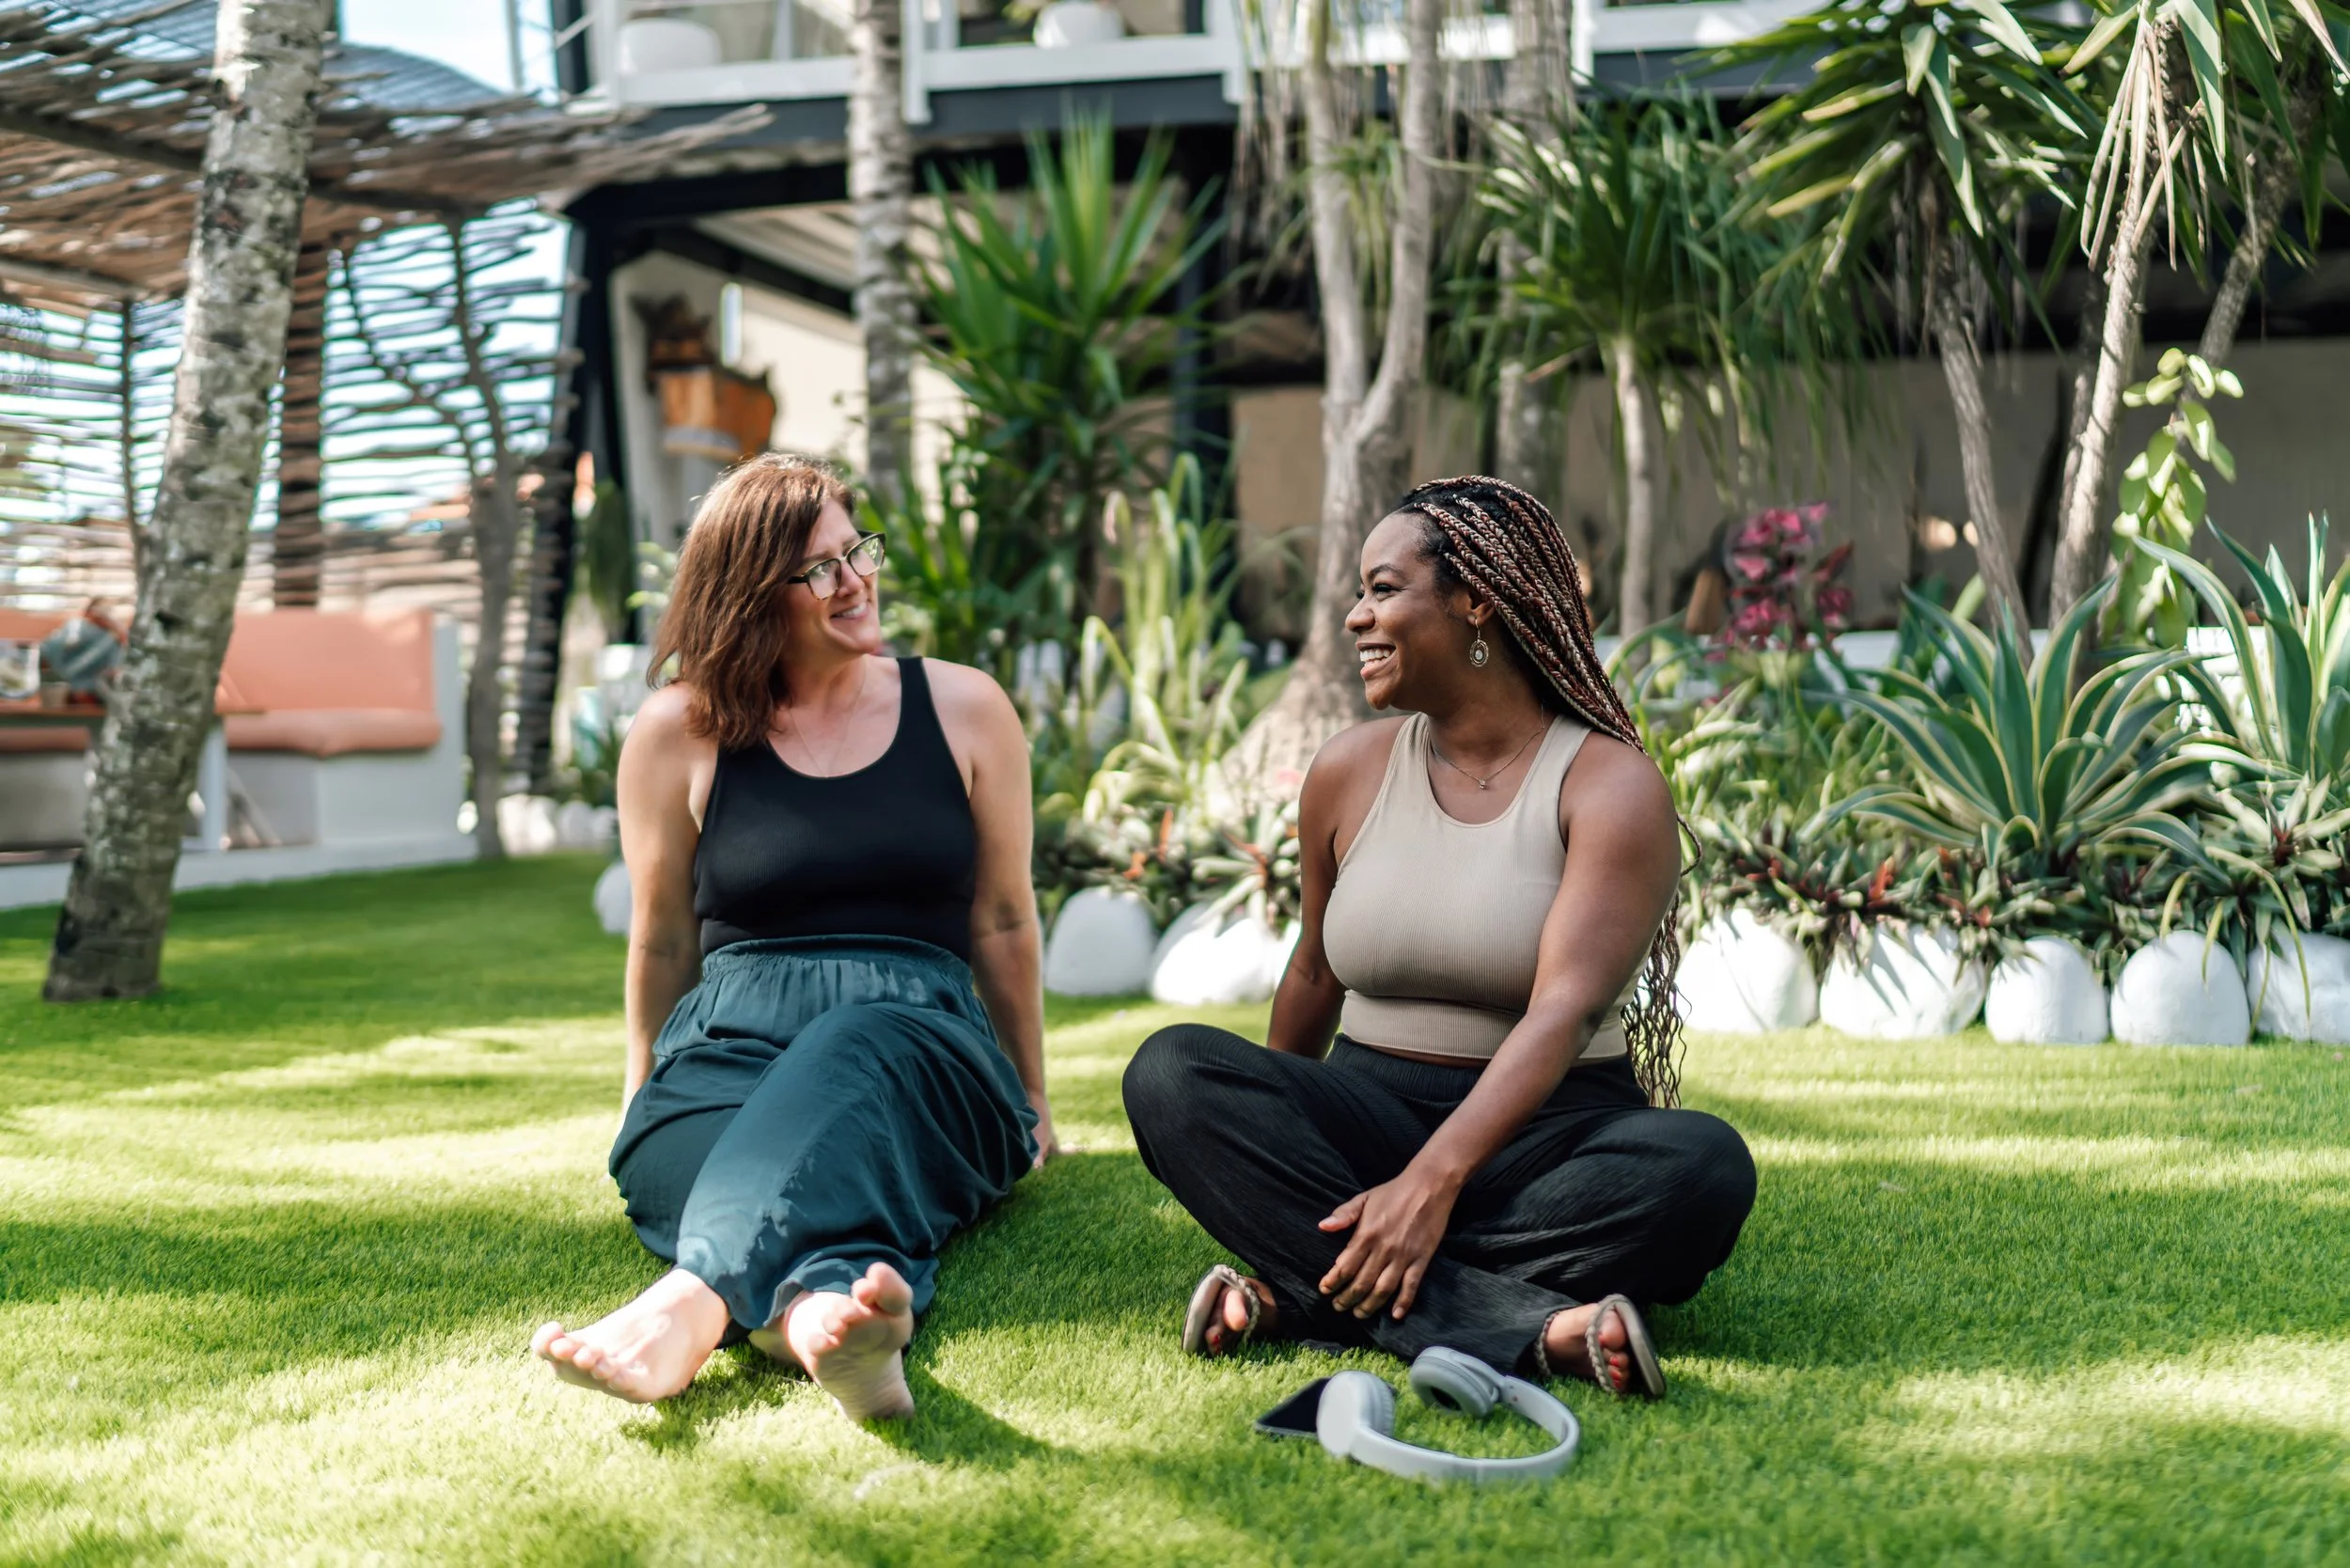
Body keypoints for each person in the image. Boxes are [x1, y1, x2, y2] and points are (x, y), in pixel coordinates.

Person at [1122, 475, 1754, 1399]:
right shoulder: (1347, 771)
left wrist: (1428, 1186)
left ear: (1474, 602)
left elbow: (1565, 1010)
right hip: (1365, 1114)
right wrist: (1268, 1126)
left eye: (1382, 590)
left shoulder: (1608, 785)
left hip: (1548, 1135)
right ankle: (1528, 1326)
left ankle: (1309, 1290)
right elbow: (1311, 969)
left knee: (1701, 1170)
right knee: (1171, 1074)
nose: (1352, 618)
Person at [533, 455, 1053, 1419]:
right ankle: (818, 1324)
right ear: (745, 595)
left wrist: (1032, 1096)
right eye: (818, 568)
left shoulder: (964, 707)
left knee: (854, 1039)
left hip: (917, 1047)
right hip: (725, 1054)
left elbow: (1004, 918)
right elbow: (661, 943)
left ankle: (682, 1313)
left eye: (857, 550)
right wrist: (639, 1092)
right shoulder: (674, 733)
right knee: (714, 1155)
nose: (855, 580)